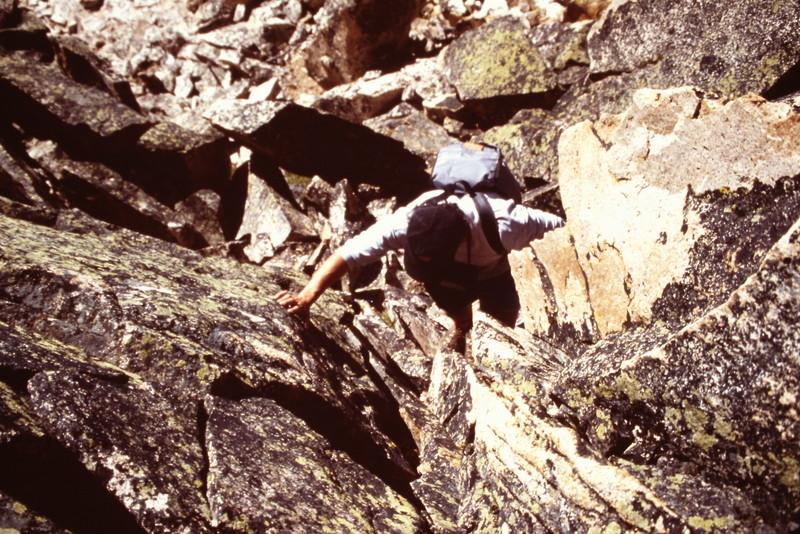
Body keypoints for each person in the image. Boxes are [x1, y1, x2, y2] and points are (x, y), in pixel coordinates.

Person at [274, 185, 565, 350]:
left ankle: (499, 344)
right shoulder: (406, 223)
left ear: (462, 238)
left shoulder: (507, 224)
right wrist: (307, 295)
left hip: (497, 269)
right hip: (445, 277)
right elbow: (348, 254)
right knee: (445, 293)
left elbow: (562, 229)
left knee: (500, 326)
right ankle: (463, 325)